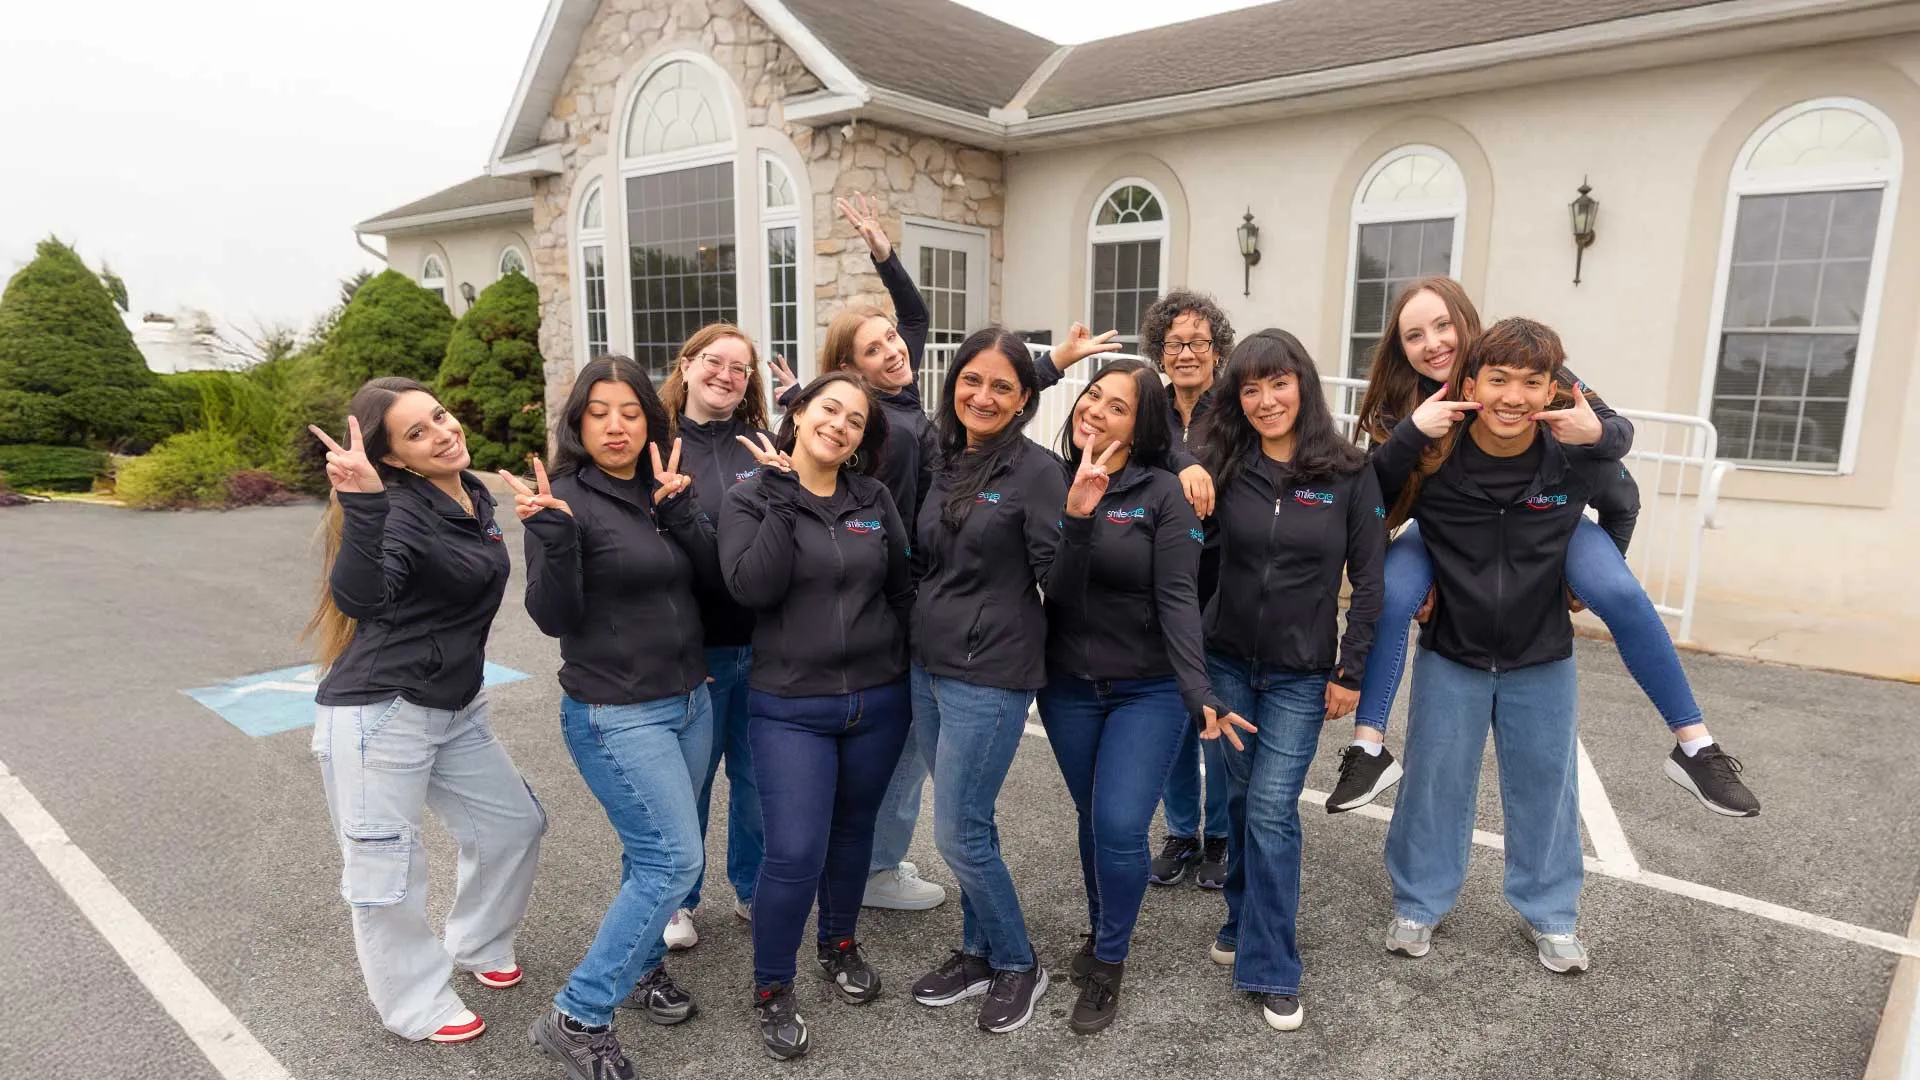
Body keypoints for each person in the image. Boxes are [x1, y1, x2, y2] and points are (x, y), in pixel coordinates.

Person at [1334, 277, 1760, 819]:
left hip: (1544, 523)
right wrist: (1410, 436)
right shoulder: (1405, 403)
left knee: (1620, 593)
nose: (1433, 343)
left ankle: (1696, 745)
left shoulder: (1523, 364)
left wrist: (1595, 439)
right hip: (1443, 529)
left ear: (1467, 322)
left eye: (1442, 325)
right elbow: (1376, 498)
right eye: (1414, 335)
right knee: (1394, 595)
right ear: (1401, 347)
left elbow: (1617, 440)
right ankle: (1368, 747)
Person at [1375, 317, 1636, 973]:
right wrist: (1417, 573)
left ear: (1553, 389)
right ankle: (1418, 901)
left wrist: (1591, 573)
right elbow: (1373, 503)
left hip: (1541, 652)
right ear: (1470, 384)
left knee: (1547, 785)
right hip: (1452, 651)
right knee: (1435, 781)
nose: (1514, 397)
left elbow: (1623, 500)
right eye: (1499, 381)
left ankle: (1551, 914)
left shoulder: (1570, 457)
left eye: (1531, 384)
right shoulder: (1437, 457)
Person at [303, 378, 545, 1046]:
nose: (442, 432)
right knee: (386, 872)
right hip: (381, 714)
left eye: (439, 416)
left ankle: (476, 941)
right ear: (396, 459)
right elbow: (361, 596)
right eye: (417, 433)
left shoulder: (469, 494)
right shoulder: (398, 509)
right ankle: (413, 1002)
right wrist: (364, 504)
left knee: (514, 825)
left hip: (455, 705)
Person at [512, 357, 720, 1080]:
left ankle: (639, 969)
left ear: (649, 420)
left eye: (629, 411)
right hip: (616, 712)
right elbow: (552, 617)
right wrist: (555, 540)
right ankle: (579, 1012)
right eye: (599, 411)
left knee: (650, 855)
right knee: (675, 860)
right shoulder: (562, 500)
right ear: (577, 421)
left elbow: (715, 582)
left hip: (692, 700)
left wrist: (682, 511)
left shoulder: (660, 489)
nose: (616, 425)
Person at [1037, 359, 1254, 1035]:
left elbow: (1179, 597)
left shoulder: (1164, 493)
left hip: (1149, 689)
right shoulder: (1052, 479)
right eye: (1092, 396)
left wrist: (1198, 689)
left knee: (1122, 824)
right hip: (1068, 685)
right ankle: (1104, 926)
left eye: (1118, 406)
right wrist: (1076, 515)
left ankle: (1109, 958)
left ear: (1145, 423)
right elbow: (1058, 596)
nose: (1096, 411)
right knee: (1091, 816)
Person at [720, 371, 915, 1060]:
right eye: (829, 409)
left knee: (853, 833)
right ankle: (773, 987)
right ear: (797, 413)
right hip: (790, 707)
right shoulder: (750, 497)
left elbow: (901, 589)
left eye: (856, 420)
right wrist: (781, 498)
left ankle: (838, 944)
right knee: (795, 850)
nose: (840, 425)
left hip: (878, 699)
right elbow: (751, 587)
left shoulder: (874, 498)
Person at [1194, 330, 1384, 1033]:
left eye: (1278, 383)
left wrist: (1351, 670)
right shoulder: (1223, 463)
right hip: (1226, 663)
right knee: (1241, 797)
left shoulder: (1349, 472)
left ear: (1302, 384)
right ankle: (1243, 915)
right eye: (1250, 389)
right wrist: (1187, 471)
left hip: (1302, 673)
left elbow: (1370, 582)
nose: (1266, 400)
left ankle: (1274, 964)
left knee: (1272, 806)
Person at [780, 193, 946, 913]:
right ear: (852, 372)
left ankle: (868, 861)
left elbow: (915, 323)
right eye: (874, 349)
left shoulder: (901, 400)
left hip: (907, 589)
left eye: (892, 341)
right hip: (897, 591)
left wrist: (884, 254)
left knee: (895, 737)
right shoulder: (882, 423)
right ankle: (875, 869)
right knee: (901, 741)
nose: (895, 350)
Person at [1037, 292, 1234, 889]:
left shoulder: (1234, 414)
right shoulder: (1150, 404)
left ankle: (1220, 833)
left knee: (1209, 708)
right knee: (1171, 719)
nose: (1186, 353)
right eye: (1174, 343)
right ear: (1159, 352)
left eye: (1198, 341)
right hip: (1138, 575)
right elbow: (1151, 446)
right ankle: (1180, 830)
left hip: (1214, 576)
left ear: (1217, 350)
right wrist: (1183, 462)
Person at [905, 326, 1066, 1034]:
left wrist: (1086, 522)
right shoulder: (942, 456)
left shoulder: (1036, 472)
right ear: (954, 383)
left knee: (959, 834)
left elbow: (1059, 576)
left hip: (991, 672)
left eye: (1003, 385)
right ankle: (976, 953)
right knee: (970, 820)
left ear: (1026, 398)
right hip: (928, 665)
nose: (984, 395)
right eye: (973, 379)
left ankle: (1018, 961)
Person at [652, 324, 776, 951]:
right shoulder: (659, 444)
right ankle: (680, 900)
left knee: (757, 780)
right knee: (691, 783)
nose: (727, 375)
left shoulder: (763, 444)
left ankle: (754, 890)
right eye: (714, 362)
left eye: (740, 368)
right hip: (693, 652)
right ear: (687, 364)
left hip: (763, 646)